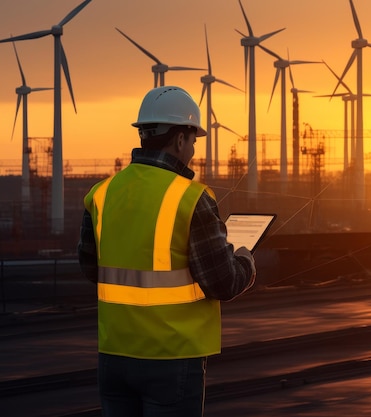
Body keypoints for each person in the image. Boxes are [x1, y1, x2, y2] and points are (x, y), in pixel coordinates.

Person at [78, 85, 256, 417]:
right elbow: (223, 282)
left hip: (114, 354)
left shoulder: (102, 193)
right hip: (171, 358)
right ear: (179, 140)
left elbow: (90, 268)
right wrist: (245, 260)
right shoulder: (191, 198)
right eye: (193, 141)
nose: (192, 150)